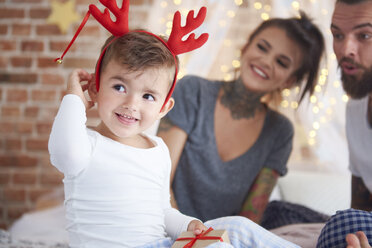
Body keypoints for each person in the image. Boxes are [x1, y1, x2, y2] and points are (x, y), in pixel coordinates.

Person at [48, 3, 302, 247]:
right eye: (119, 87)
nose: (131, 103)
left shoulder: (157, 149)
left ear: (164, 108)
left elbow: (162, 211)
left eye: (148, 96)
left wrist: (189, 224)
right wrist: (73, 98)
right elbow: (64, 153)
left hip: (160, 244)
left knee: (237, 228)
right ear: (94, 88)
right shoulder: (85, 145)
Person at [157, 11, 325, 224]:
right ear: (246, 47)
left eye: (281, 62)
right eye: (262, 47)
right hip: (169, 225)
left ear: (290, 81)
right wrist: (184, 233)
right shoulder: (193, 91)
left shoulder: (280, 132)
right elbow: (160, 181)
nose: (265, 61)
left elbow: (249, 219)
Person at [316, 0, 372, 247]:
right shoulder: (355, 110)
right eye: (337, 35)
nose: (345, 49)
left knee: (343, 224)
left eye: (365, 35)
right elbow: (361, 207)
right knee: (279, 211)